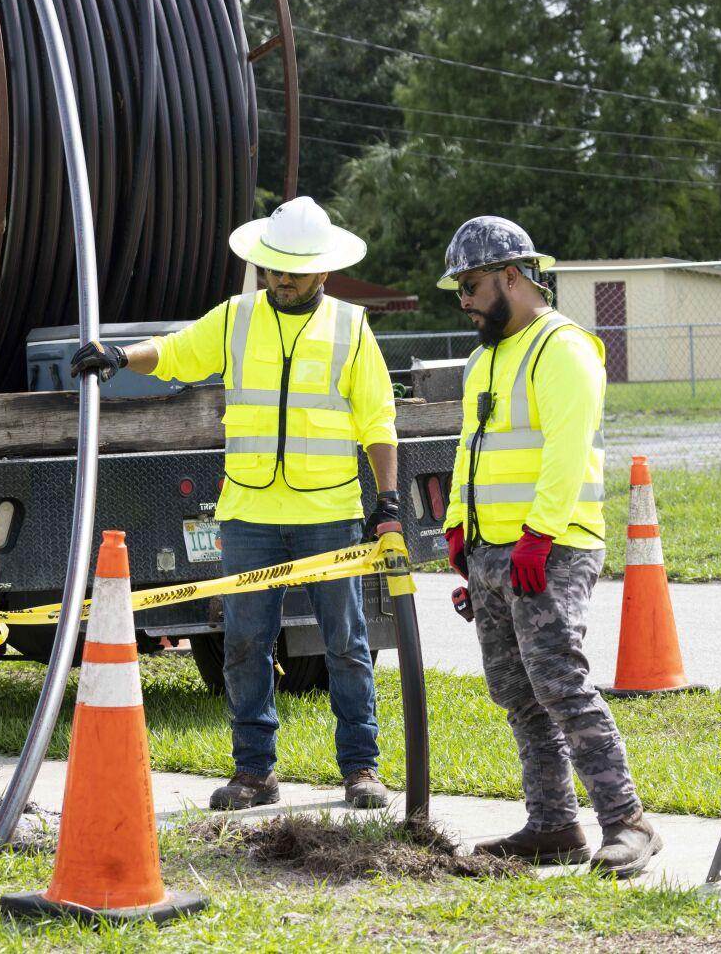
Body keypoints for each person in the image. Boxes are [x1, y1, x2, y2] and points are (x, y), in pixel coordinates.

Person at [71, 196, 399, 811]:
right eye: (274, 267)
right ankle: (254, 773)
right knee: (245, 645)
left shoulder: (352, 328)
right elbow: (175, 352)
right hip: (249, 514)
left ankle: (361, 768)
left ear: (323, 270)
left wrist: (389, 500)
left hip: (329, 515)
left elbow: (378, 419)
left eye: (294, 270)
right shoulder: (235, 318)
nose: (282, 279)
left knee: (346, 646)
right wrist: (120, 357)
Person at [438, 215, 662, 877]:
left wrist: (537, 536)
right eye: (459, 289)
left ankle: (627, 821)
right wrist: (459, 528)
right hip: (493, 549)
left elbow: (566, 450)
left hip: (551, 548)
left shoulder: (561, 348)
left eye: (471, 286)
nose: (464, 301)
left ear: (512, 276)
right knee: (516, 691)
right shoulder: (483, 359)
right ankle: (552, 825)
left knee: (559, 683)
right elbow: (470, 450)